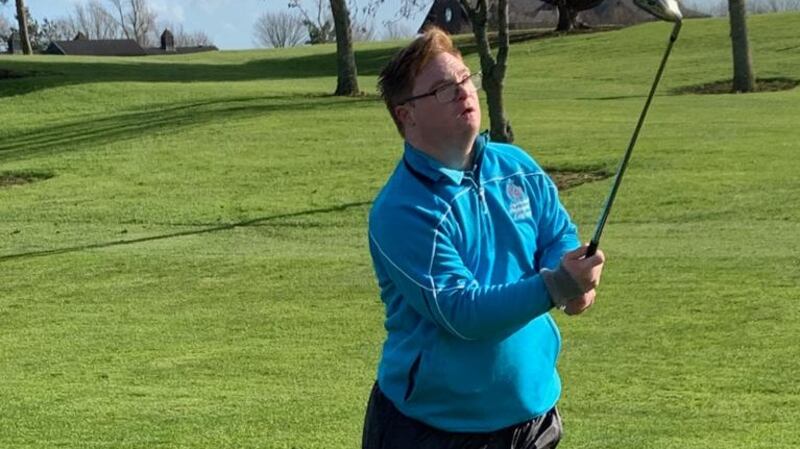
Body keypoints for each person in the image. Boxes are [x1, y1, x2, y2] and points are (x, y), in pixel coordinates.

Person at [363, 27, 606, 449]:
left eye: (463, 79)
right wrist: (558, 285)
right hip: (432, 431)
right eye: (442, 89)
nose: (462, 92)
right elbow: (461, 312)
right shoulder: (403, 210)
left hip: (533, 419)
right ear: (407, 115)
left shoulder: (516, 166)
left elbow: (556, 233)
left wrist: (575, 275)